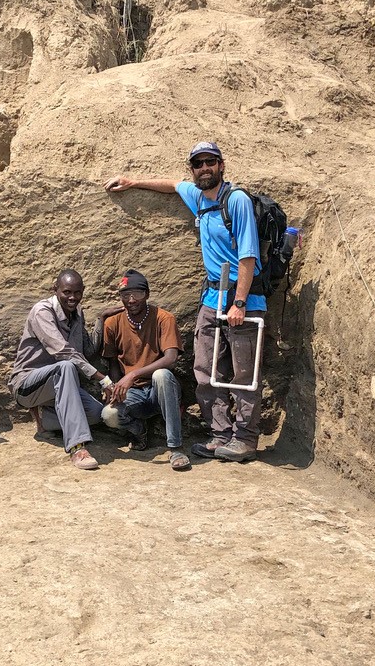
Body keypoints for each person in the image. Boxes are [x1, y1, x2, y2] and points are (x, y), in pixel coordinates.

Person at [103, 141, 264, 462]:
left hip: (242, 298)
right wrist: (133, 182)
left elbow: (248, 255)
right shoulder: (199, 198)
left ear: (221, 165)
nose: (205, 168)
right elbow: (173, 186)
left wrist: (241, 303)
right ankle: (220, 435)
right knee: (205, 369)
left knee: (244, 374)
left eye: (211, 162)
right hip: (211, 298)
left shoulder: (237, 201)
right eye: (198, 164)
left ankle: (245, 440)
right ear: (192, 169)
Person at [9, 269, 114, 471]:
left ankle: (44, 420)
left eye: (77, 292)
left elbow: (87, 352)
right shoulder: (42, 311)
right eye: (67, 292)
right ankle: (77, 447)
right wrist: (103, 379)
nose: (72, 297)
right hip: (28, 385)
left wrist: (101, 320)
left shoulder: (77, 314)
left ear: (83, 291)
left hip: (57, 389)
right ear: (55, 290)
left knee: (96, 413)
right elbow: (63, 351)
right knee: (65, 366)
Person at [99, 270, 191, 472]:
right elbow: (113, 361)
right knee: (109, 415)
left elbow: (171, 358)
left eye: (137, 294)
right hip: (135, 394)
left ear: (147, 294)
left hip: (162, 392)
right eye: (125, 295)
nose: (131, 300)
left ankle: (175, 447)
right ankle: (139, 431)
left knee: (162, 375)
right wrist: (115, 387)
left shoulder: (163, 318)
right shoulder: (113, 323)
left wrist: (132, 375)